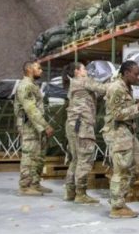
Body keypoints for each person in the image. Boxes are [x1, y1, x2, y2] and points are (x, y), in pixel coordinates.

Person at [103, 60, 139, 218]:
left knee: (137, 165)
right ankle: (117, 207)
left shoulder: (126, 87)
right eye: (136, 74)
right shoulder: (116, 88)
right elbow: (117, 114)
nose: (138, 77)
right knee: (122, 168)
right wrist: (138, 107)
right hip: (117, 132)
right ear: (126, 73)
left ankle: (118, 199)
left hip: (127, 132)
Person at [62, 62, 107, 205]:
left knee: (75, 159)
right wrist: (117, 82)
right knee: (84, 159)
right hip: (82, 125)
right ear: (77, 71)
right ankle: (81, 194)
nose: (86, 71)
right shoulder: (83, 81)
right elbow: (103, 89)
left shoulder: (74, 84)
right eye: (83, 68)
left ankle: (70, 192)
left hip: (73, 124)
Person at [14, 61, 55, 196]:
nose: (41, 70)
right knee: (29, 156)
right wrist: (45, 125)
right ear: (29, 69)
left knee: (38, 156)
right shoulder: (25, 86)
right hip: (29, 126)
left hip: (36, 126)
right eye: (38, 68)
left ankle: (35, 184)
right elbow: (31, 109)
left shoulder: (32, 85)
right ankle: (25, 186)